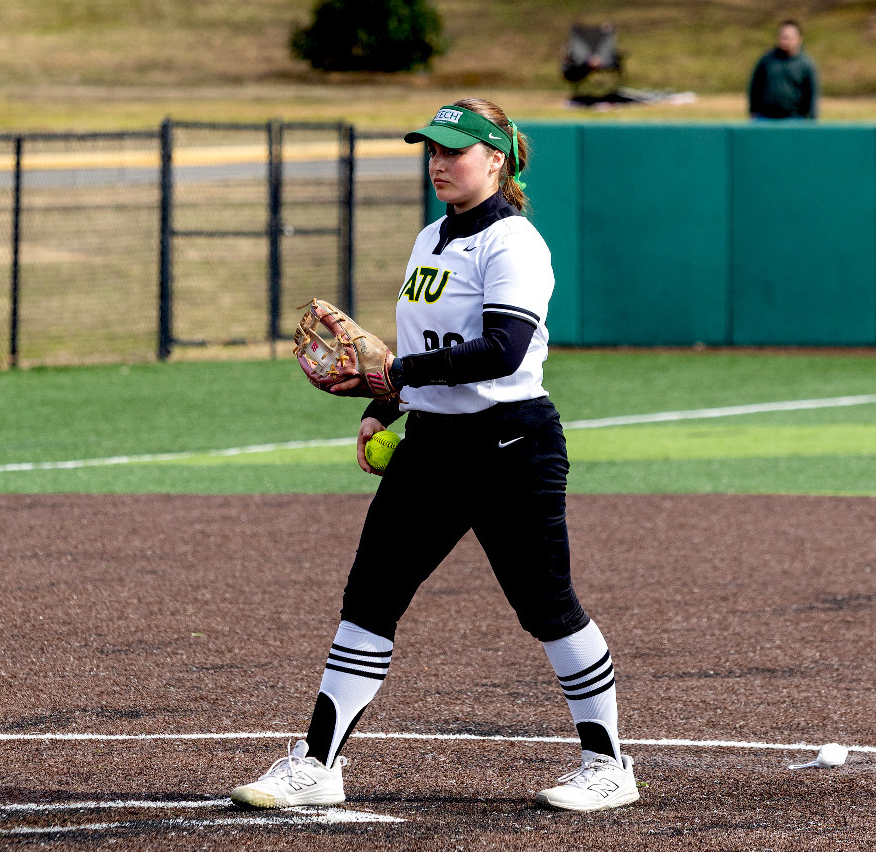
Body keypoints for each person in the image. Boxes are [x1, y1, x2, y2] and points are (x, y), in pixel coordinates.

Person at [230, 99, 638, 813]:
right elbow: (415, 353)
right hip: (432, 447)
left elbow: (503, 348)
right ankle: (318, 763)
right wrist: (383, 406)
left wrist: (400, 379)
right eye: (431, 150)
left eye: (454, 150)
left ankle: (607, 764)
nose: (438, 162)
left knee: (547, 607)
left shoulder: (512, 243)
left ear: (496, 159)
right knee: (370, 598)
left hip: (511, 445)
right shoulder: (432, 238)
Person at [748, 19, 819, 120]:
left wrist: (812, 119)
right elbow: (755, 87)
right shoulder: (766, 61)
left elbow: (812, 93)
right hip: (765, 118)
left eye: (789, 38)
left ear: (799, 39)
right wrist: (753, 111)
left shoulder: (805, 64)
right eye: (782, 37)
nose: (785, 41)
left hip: (794, 118)